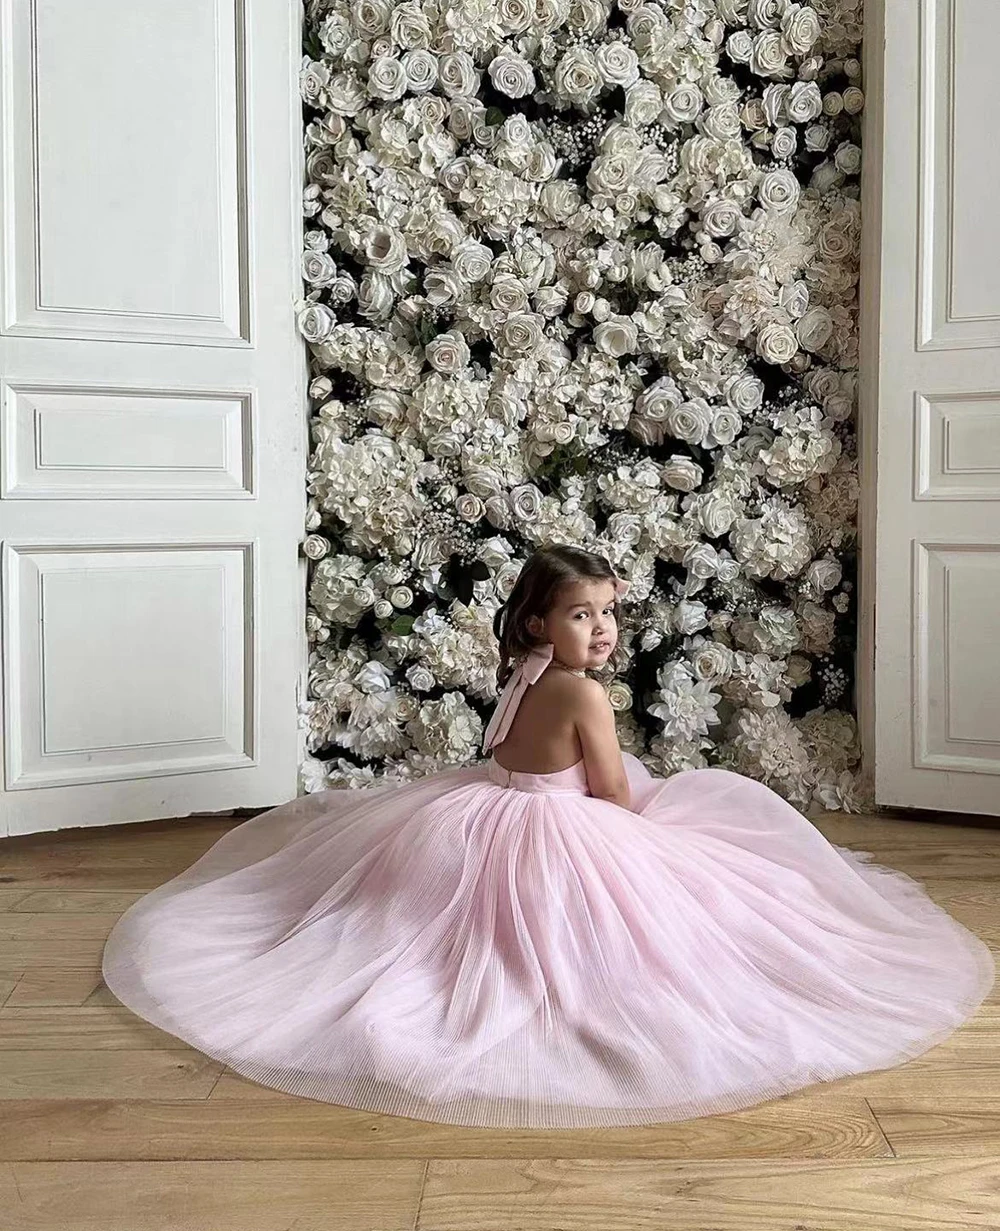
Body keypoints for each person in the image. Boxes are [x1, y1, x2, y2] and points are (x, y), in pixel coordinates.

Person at [101, 544, 995, 1129]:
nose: (601, 630)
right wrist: (655, 838)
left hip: (483, 804)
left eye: (608, 612)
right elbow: (607, 788)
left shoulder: (525, 674)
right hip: (556, 822)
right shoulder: (582, 691)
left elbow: (506, 754)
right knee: (684, 900)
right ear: (539, 623)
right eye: (580, 614)